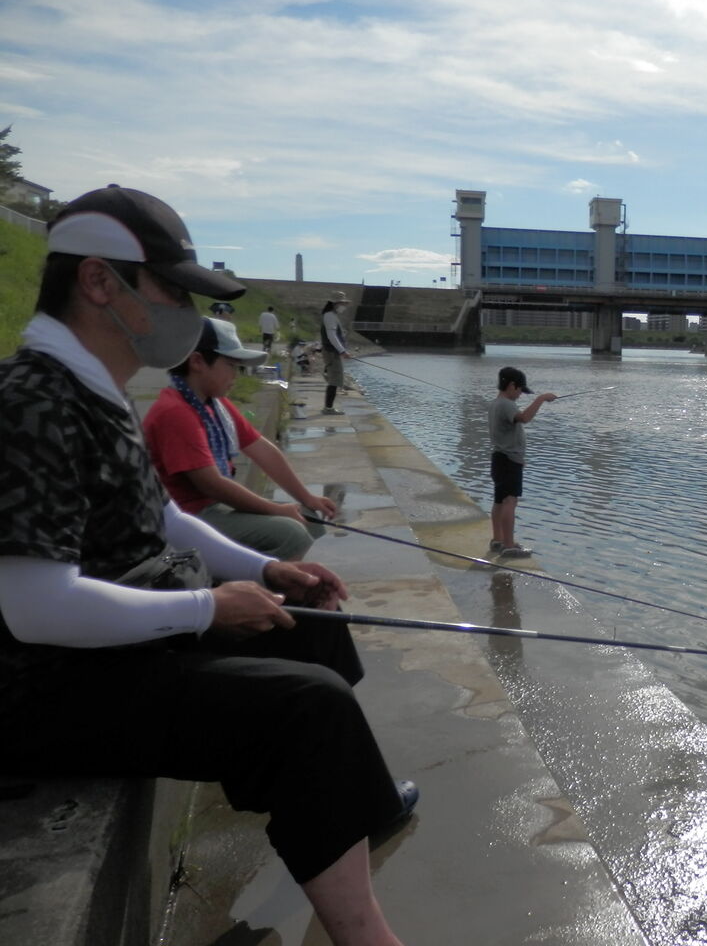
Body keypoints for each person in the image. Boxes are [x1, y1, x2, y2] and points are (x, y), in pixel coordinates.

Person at [0, 185, 412, 946]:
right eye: (172, 290)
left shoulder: (93, 390)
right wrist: (209, 608)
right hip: (49, 687)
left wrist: (262, 572)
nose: (184, 313)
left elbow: (163, 519)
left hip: (118, 649)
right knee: (308, 708)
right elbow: (33, 606)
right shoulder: (30, 401)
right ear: (98, 282)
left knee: (314, 622)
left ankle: (361, 805)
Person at [143, 317, 338, 561]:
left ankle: (274, 577)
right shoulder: (175, 412)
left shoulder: (215, 404)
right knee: (291, 534)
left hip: (210, 507)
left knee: (309, 517)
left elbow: (263, 451)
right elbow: (211, 484)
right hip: (185, 516)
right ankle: (251, 590)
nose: (237, 374)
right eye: (232, 365)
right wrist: (277, 510)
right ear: (198, 362)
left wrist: (307, 498)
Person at [487, 366, 556, 559]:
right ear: (511, 385)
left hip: (500, 458)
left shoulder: (495, 403)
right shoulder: (507, 404)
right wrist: (541, 399)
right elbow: (524, 418)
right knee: (510, 500)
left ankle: (498, 540)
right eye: (519, 390)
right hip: (508, 460)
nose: (519, 395)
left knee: (499, 501)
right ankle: (509, 546)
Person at [320, 292, 352, 415]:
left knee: (335, 380)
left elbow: (334, 335)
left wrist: (342, 351)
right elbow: (331, 335)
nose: (344, 306)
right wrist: (342, 351)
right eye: (342, 303)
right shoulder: (329, 316)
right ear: (335, 303)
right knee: (334, 380)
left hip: (332, 352)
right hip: (331, 353)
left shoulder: (331, 315)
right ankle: (328, 408)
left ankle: (329, 407)